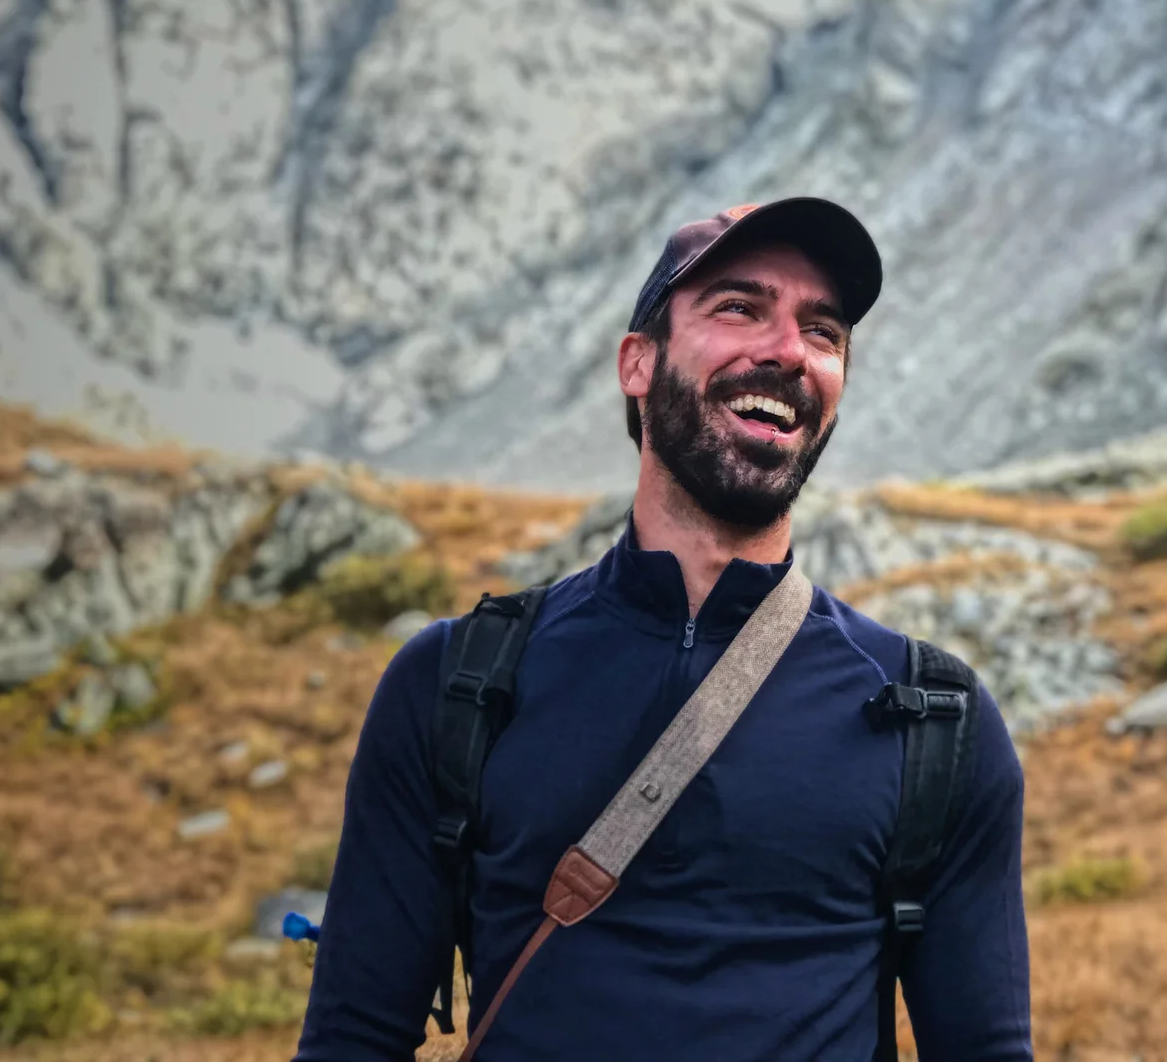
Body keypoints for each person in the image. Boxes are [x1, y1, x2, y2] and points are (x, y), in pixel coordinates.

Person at [293, 197, 1033, 1060]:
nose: (788, 350)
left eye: (823, 332)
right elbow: (352, 1039)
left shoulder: (934, 721)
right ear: (637, 365)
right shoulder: (455, 685)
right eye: (738, 307)